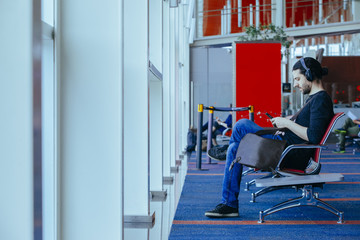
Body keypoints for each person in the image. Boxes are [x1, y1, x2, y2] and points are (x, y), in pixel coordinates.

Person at [205, 57, 334, 218]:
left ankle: (229, 199)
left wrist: (286, 123)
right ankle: (229, 204)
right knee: (234, 147)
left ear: (309, 75)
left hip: (288, 152)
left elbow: (313, 136)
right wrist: (284, 124)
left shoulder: (320, 100)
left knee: (241, 125)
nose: (295, 84)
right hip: (284, 145)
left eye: (297, 79)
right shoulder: (315, 99)